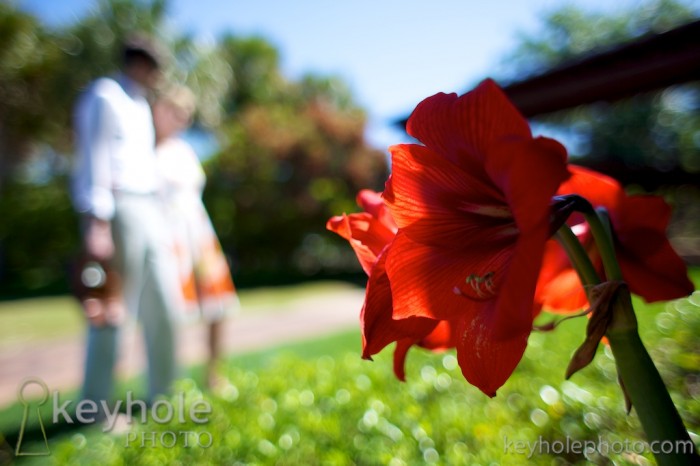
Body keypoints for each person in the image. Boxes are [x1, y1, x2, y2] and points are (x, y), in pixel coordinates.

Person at [71, 34, 182, 414]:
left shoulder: (139, 103)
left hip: (151, 210)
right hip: (120, 208)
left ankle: (163, 396)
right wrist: (96, 224)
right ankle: (95, 405)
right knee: (115, 308)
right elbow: (95, 159)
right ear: (141, 63)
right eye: (154, 67)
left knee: (167, 305)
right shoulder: (106, 95)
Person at [152, 85, 239, 389]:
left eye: (186, 115)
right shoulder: (147, 152)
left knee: (219, 304)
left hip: (199, 233)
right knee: (171, 311)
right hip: (167, 237)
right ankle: (168, 381)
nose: (181, 120)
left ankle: (213, 375)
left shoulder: (185, 151)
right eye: (175, 112)